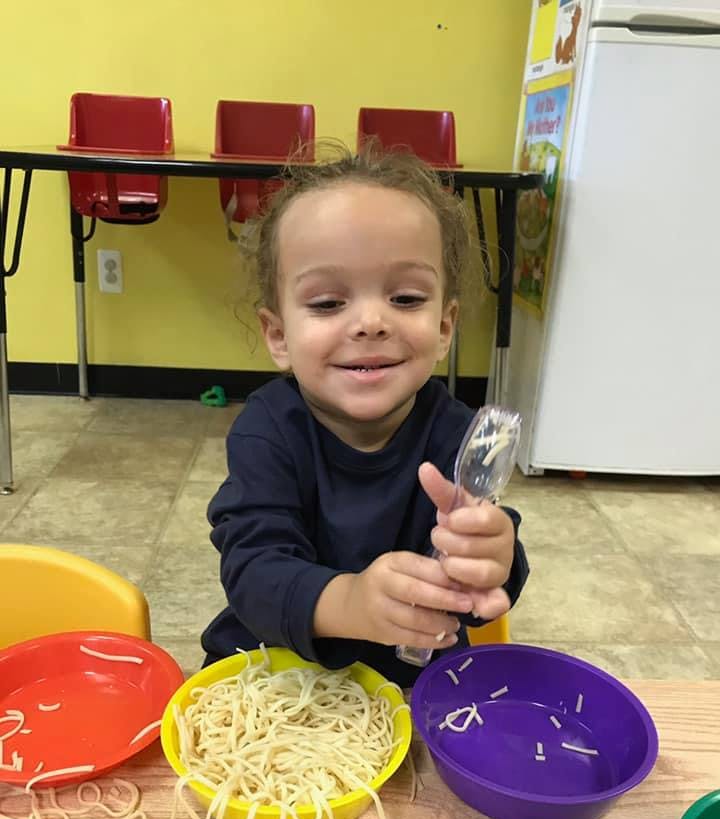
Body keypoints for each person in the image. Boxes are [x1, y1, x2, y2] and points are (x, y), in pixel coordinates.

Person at [202, 144, 529, 687]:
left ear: (445, 327)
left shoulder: (458, 436)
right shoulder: (268, 430)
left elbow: (482, 586)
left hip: (412, 685)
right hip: (273, 676)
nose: (371, 322)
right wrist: (350, 601)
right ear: (278, 336)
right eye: (328, 303)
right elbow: (253, 571)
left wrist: (493, 560)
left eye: (405, 297)